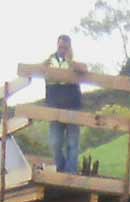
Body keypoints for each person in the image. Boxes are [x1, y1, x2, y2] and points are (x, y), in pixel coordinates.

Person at [45, 34, 85, 174]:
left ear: (69, 48)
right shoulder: (49, 61)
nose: (62, 49)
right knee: (55, 143)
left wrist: (70, 60)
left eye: (65, 47)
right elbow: (38, 70)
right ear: (57, 45)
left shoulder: (73, 63)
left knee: (72, 143)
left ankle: (70, 173)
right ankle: (61, 168)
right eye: (60, 47)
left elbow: (84, 69)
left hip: (73, 106)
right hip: (55, 106)